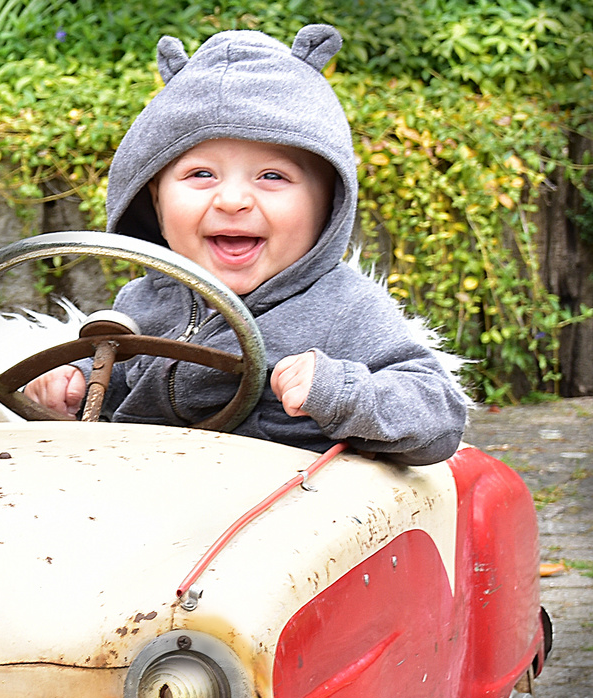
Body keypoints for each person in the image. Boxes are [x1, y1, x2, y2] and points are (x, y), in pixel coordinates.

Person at [24, 24, 468, 466]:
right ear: (156, 200)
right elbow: (120, 383)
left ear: (326, 205)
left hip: (291, 510)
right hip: (148, 497)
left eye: (272, 176)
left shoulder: (344, 308)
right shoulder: (143, 302)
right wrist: (78, 382)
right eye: (201, 174)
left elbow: (437, 416)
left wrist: (341, 390)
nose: (233, 200)